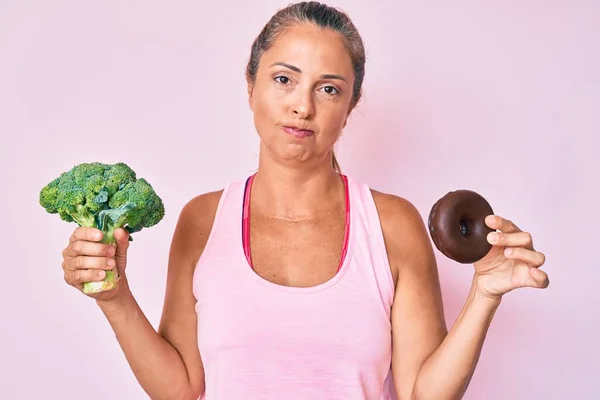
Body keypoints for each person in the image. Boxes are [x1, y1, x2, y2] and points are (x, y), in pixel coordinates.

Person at [60, 2, 549, 399]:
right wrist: (115, 298)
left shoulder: (392, 223)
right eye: (283, 79)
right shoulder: (202, 219)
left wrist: (484, 294)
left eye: (329, 89)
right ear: (251, 87)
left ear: (350, 107)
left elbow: (424, 393)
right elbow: (182, 388)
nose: (303, 105)